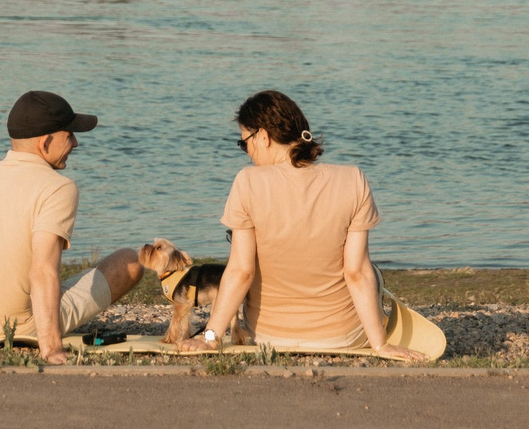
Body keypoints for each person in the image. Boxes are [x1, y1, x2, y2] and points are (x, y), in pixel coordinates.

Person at [176, 89, 430, 361]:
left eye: (244, 143)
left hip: (268, 337)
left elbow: (241, 271)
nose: (247, 153)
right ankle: (376, 327)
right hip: (343, 336)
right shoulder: (353, 179)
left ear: (263, 137)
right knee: (371, 272)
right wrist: (380, 346)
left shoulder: (247, 182)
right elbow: (356, 273)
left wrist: (210, 338)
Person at [0, 90, 144, 364]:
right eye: (70, 135)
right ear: (46, 142)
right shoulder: (58, 188)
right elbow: (42, 270)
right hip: (12, 325)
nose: (76, 143)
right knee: (130, 261)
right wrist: (51, 346)